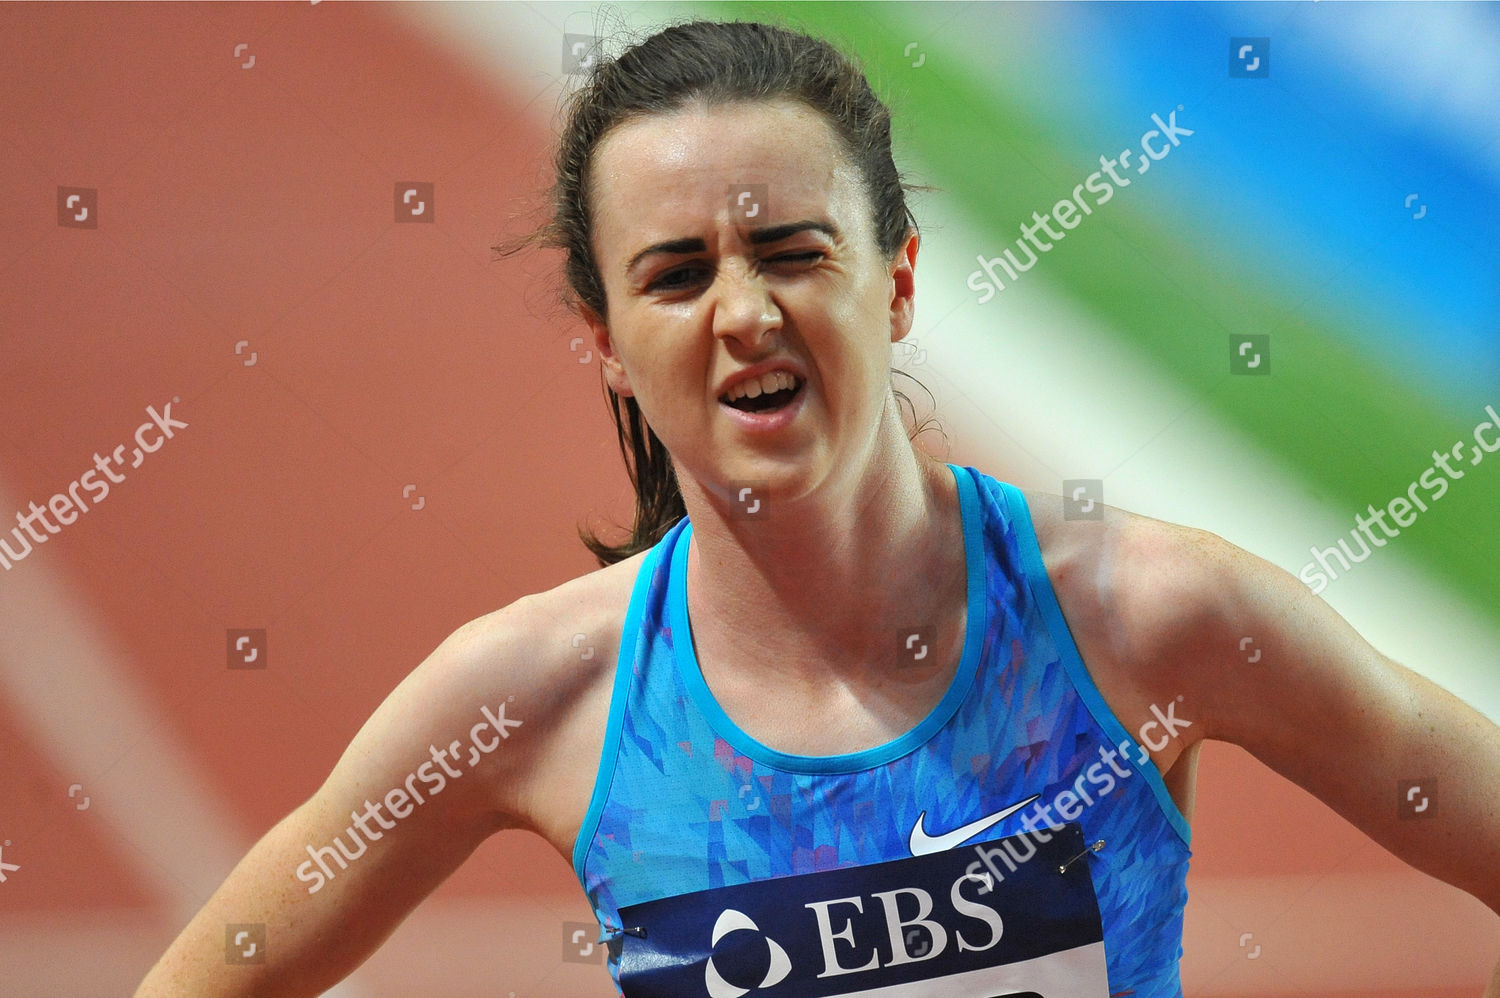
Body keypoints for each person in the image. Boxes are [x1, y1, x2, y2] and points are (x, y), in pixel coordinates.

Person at [134, 18, 1500, 998]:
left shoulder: (1144, 618)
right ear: (606, 336)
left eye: (793, 251)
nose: (743, 313)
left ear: (898, 281)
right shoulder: (543, 696)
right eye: (674, 274)